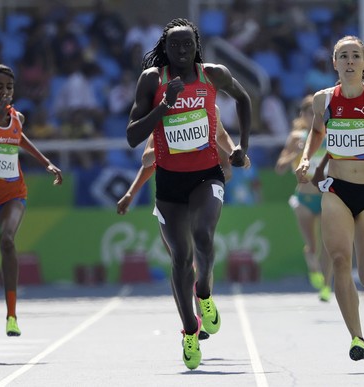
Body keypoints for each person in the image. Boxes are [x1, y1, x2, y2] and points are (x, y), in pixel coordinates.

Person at [126, 18, 251, 370]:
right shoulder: (152, 80)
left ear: (197, 45)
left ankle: (205, 293)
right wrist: (163, 106)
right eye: (174, 45)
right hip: (169, 182)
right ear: (164, 49)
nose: (181, 50)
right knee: (180, 258)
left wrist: (242, 145)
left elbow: (243, 99)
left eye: (187, 44)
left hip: (207, 175)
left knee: (203, 237)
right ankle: (189, 331)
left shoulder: (213, 74)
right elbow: (133, 136)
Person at [295, 36, 364, 361]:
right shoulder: (323, 100)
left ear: (363, 62)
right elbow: (317, 132)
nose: (348, 61)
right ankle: (357, 338)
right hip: (337, 190)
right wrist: (307, 158)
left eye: (354, 56)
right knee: (341, 260)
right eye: (342, 56)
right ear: (334, 63)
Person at [0, 64, 63, 337]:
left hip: (12, 193)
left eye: (9, 87)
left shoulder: (17, 117)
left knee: (7, 240)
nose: (5, 92)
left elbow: (20, 138)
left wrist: (46, 162)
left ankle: (12, 315)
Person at [275, 94, 333, 302]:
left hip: (327, 196)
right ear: (303, 115)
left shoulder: (329, 134)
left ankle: (326, 286)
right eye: (309, 113)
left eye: (317, 113)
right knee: (313, 246)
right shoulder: (296, 138)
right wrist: (295, 154)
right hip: (305, 198)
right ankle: (312, 266)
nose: (313, 116)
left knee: (328, 245)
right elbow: (279, 168)